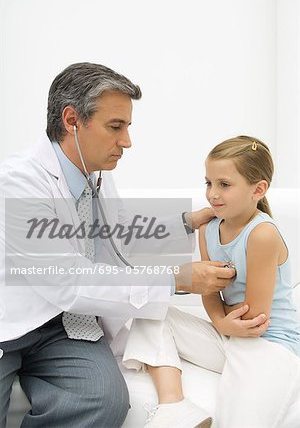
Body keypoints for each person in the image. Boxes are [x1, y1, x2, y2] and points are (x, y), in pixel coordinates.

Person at [0, 62, 238, 428]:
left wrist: (186, 223)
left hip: (63, 325)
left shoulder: (94, 173)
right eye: (116, 127)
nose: (126, 141)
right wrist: (176, 280)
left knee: (103, 400)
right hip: (10, 323)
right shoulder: (18, 184)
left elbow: (119, 234)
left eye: (127, 127)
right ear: (72, 120)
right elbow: (66, 281)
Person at [122, 135, 300, 428]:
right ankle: (174, 406)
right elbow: (209, 291)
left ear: (258, 189)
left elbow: (255, 317)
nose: (212, 194)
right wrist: (219, 323)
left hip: (266, 343)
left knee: (239, 419)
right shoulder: (208, 229)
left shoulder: (262, 234)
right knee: (150, 309)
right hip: (229, 336)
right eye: (209, 183)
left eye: (224, 185)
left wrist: (224, 323)